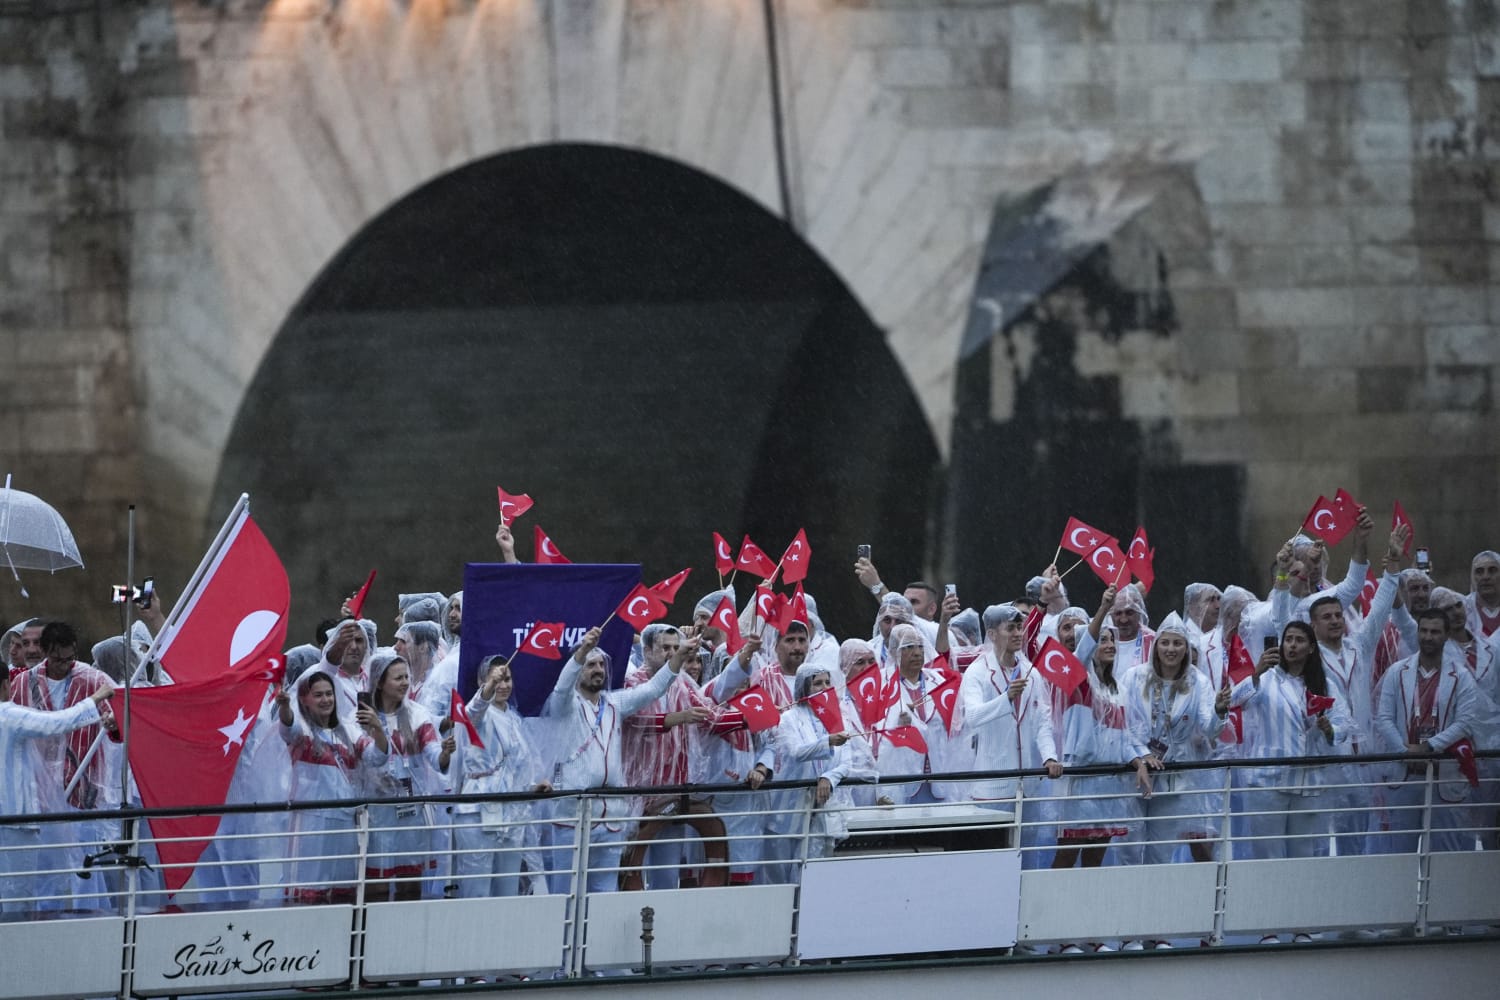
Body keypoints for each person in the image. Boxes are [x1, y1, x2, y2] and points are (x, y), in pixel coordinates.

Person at [539, 626, 688, 894]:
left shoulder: (613, 704)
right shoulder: (565, 706)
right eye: (590, 665)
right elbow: (562, 688)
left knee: (605, 893)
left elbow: (654, 688)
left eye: (600, 664)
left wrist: (679, 657)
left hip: (611, 817)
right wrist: (582, 651)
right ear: (578, 671)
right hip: (574, 818)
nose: (598, 670)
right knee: (565, 893)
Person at [9, 620, 119, 911]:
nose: (66, 665)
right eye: (58, 660)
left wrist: (113, 723)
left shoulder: (94, 679)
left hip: (82, 785)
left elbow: (118, 718)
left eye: (70, 658)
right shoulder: (23, 683)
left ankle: (92, 918)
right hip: (39, 791)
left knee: (85, 864)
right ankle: (48, 919)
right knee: (46, 864)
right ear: (46, 653)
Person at [1226, 621, 1351, 864]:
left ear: (1311, 648)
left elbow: (1344, 724)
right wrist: (1256, 672)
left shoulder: (1325, 684)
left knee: (1302, 856)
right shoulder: (1267, 678)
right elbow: (1234, 701)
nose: (1292, 645)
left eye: (1299, 640)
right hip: (1268, 781)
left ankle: (1297, 891)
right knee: (1267, 855)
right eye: (1288, 639)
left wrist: (1330, 730)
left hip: (1307, 782)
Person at [275, 670, 388, 904]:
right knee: (309, 892)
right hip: (311, 824)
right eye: (318, 695)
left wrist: (378, 730)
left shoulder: (349, 730)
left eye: (329, 694)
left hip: (345, 822)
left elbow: (376, 757)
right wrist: (285, 707)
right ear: (305, 700)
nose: (326, 699)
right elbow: (288, 728)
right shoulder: (302, 731)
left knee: (342, 892)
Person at [1374, 608, 1481, 854]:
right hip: (1405, 774)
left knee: (1445, 853)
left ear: (1446, 636)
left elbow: (1465, 722)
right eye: (1423, 631)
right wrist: (1405, 751)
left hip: (1443, 773)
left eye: (1435, 632)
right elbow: (1384, 718)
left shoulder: (1461, 676)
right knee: (1400, 854)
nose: (1428, 637)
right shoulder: (1396, 672)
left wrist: (1429, 746)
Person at [1053, 587, 1143, 877]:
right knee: (1067, 857)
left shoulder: (1119, 689)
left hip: (1109, 782)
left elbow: (1124, 737)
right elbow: (1082, 649)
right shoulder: (1078, 678)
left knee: (1095, 860)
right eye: (1103, 640)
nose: (1110, 645)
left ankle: (1088, 906)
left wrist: (1139, 761)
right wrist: (1104, 609)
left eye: (1112, 640)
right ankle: (1052, 905)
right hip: (1081, 779)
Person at [1122, 612, 1223, 866]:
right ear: (1156, 646)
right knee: (1129, 848)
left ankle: (1157, 892)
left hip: (1173, 780)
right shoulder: (1134, 677)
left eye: (1178, 643)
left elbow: (1209, 729)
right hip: (1134, 773)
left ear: (1186, 648)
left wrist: (1220, 712)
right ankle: (1127, 891)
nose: (1171, 649)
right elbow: (1122, 725)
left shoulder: (1198, 682)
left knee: (1160, 851)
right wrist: (1141, 754)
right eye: (1165, 643)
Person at [452, 655, 549, 898]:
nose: (503, 685)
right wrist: (489, 688)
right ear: (481, 682)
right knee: (477, 891)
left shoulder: (514, 719)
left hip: (511, 814)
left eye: (507, 679)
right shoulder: (477, 712)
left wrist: (532, 788)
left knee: (507, 891)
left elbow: (516, 769)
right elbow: (474, 711)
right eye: (497, 680)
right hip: (478, 811)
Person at [958, 604, 1061, 822]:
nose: (1017, 634)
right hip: (993, 786)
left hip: (1028, 786)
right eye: (1010, 628)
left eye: (1019, 627)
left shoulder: (1030, 672)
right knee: (995, 843)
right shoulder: (977, 672)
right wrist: (1006, 699)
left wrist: (1049, 756)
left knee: (1028, 843)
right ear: (992, 634)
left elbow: (1042, 721)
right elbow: (972, 717)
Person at [364, 650, 450, 902]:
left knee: (410, 884)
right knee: (376, 885)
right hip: (377, 811)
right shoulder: (363, 717)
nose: (404, 683)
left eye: (406, 677)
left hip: (411, 812)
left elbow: (435, 757)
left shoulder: (418, 715)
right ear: (380, 682)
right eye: (398, 678)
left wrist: (445, 753)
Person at [1465, 550, 1500, 639]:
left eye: (1492, 570)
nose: (1485, 577)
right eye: (1479, 571)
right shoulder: (1462, 609)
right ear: (1473, 576)